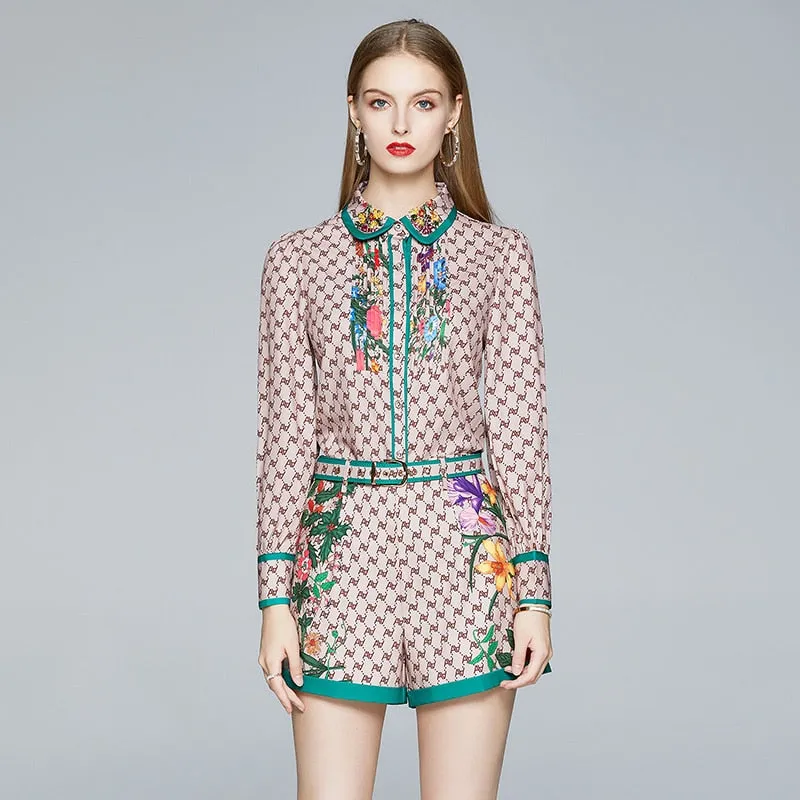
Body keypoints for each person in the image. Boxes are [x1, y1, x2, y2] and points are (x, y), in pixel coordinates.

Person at [255, 18, 553, 800]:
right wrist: (274, 598)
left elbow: (519, 432)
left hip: (466, 559)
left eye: (423, 103)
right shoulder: (297, 260)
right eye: (380, 101)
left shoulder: (499, 255)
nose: (400, 122)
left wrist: (534, 592)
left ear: (454, 113)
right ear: (353, 110)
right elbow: (286, 439)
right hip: (338, 556)